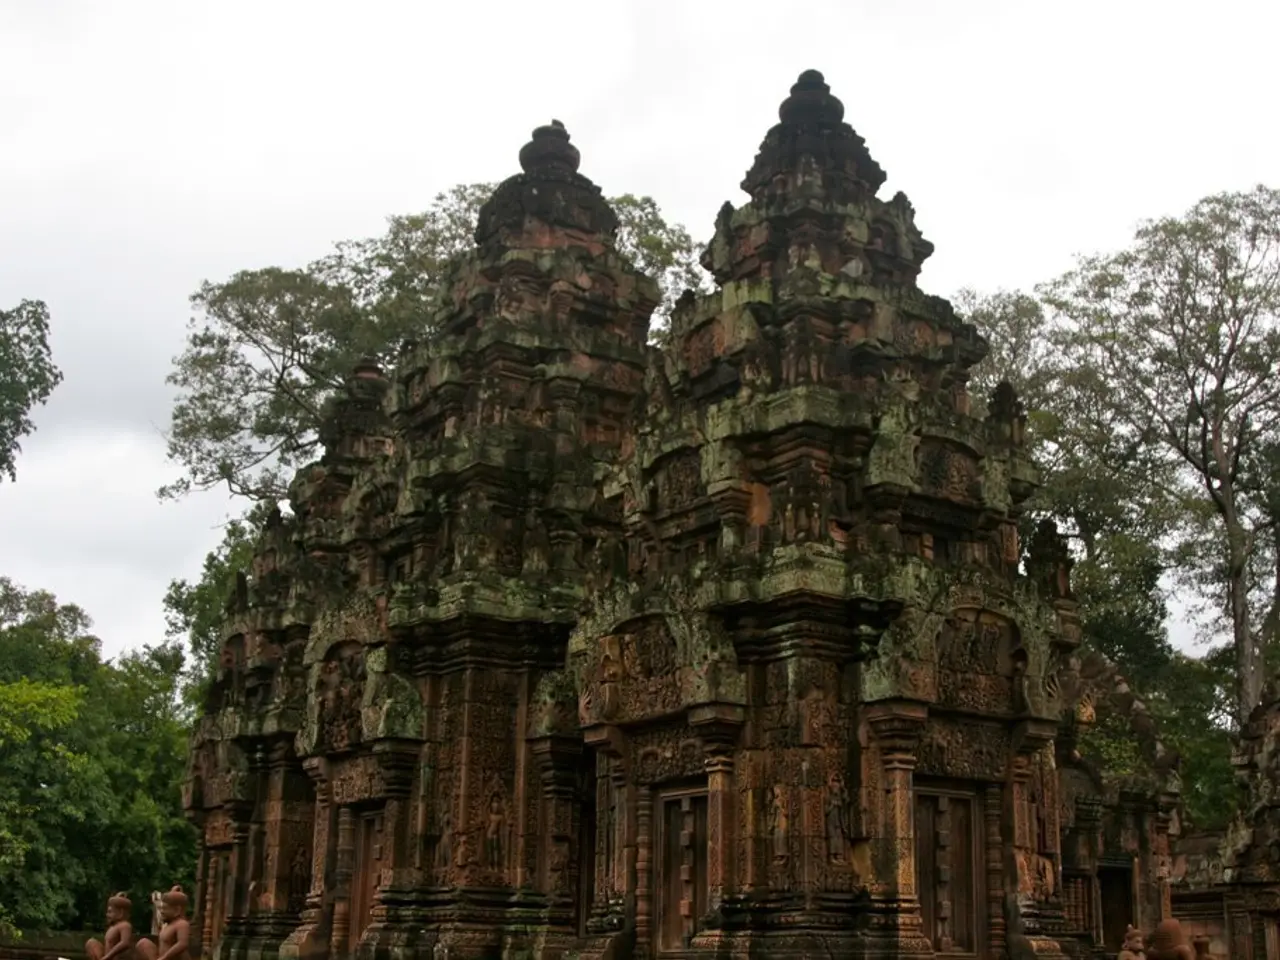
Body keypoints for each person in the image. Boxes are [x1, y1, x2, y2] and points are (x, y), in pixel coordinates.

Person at [135, 887, 190, 960]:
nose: (161, 911)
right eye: (161, 908)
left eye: (165, 908)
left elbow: (182, 944)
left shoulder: (182, 924)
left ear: (177, 910)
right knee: (143, 943)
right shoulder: (168, 924)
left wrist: (164, 957)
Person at [85, 892, 137, 960]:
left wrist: (107, 957)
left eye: (110, 912)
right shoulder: (113, 927)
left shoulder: (125, 925)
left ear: (120, 912)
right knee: (91, 943)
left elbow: (125, 943)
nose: (107, 915)